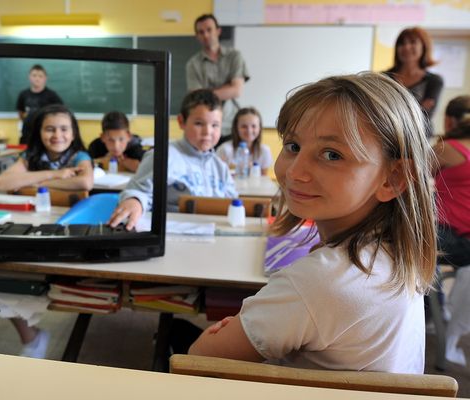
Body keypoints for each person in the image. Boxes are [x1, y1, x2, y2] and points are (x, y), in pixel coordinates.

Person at [187, 73, 437, 374]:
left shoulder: (317, 282)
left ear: (393, 178)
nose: (295, 171)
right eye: (292, 145)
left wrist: (250, 322)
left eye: (332, 155)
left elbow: (198, 359)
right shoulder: (398, 253)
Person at [109, 89, 238, 230]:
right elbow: (138, 191)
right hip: (174, 236)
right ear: (181, 121)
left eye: (215, 125)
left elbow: (233, 205)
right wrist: (135, 201)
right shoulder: (163, 156)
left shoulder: (220, 167)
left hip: (213, 235)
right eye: (199, 123)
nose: (208, 132)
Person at [431, 95, 470, 365]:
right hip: (458, 239)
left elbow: (407, 175)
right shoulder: (451, 148)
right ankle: (437, 317)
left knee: (406, 243)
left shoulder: (447, 147)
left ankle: (431, 317)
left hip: (452, 237)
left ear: (449, 119)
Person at [0, 104, 93, 193]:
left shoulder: (79, 157)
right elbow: (1, 183)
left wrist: (38, 184)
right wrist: (54, 174)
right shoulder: (31, 156)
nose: (57, 135)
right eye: (50, 129)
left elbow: (86, 182)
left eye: (64, 129)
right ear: (39, 133)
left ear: (73, 134)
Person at [186, 14, 249, 142]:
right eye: (201, 32)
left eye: (209, 30)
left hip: (232, 126)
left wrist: (206, 92)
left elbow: (237, 90)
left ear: (218, 31)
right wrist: (227, 86)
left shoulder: (234, 56)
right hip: (205, 128)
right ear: (197, 36)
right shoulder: (192, 64)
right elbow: (197, 98)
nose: (206, 35)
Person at [383, 27, 443, 136]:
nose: (406, 47)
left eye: (412, 42)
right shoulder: (383, 78)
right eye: (402, 43)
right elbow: (380, 111)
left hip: (420, 137)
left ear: (424, 47)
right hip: (388, 135)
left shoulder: (434, 81)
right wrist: (418, 108)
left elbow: (425, 116)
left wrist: (394, 111)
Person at [16, 64, 63, 145]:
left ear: (45, 78)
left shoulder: (52, 95)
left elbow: (61, 113)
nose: (37, 78)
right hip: (27, 133)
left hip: (45, 134)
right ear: (29, 77)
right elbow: (21, 112)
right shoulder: (23, 94)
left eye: (40, 76)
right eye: (34, 75)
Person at [217, 107, 273, 175]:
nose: (249, 131)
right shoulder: (225, 149)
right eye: (244, 126)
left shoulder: (264, 150)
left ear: (259, 128)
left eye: (253, 126)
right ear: (236, 128)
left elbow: (263, 178)